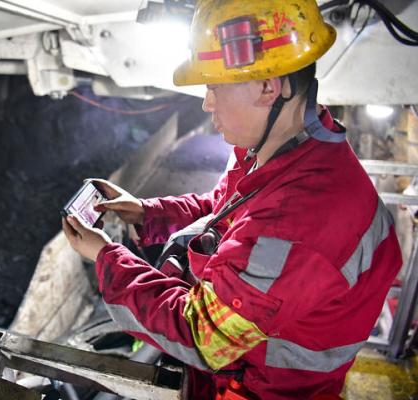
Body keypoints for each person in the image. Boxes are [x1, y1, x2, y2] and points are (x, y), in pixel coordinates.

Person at [62, 0, 402, 398]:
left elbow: (200, 335)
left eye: (214, 87)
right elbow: (224, 212)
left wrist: (106, 257)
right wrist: (146, 213)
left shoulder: (298, 222)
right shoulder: (286, 150)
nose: (206, 103)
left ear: (267, 87)